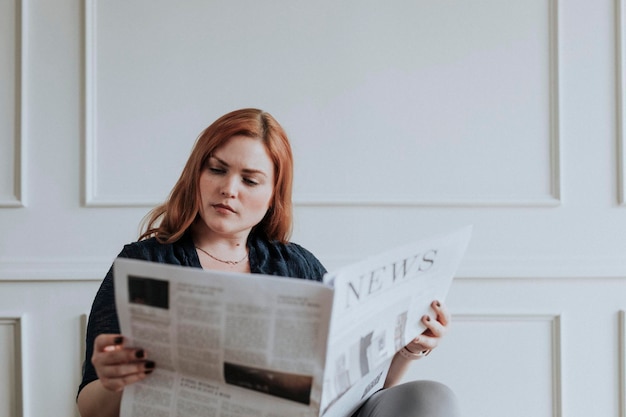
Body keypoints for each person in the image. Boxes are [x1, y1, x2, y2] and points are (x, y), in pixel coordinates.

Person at [76, 108, 460, 417]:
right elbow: (89, 407)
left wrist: (405, 351)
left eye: (250, 180)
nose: (229, 189)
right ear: (197, 174)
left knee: (431, 398)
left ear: (273, 194)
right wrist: (116, 382)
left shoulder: (299, 266)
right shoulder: (144, 262)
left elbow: (357, 394)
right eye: (217, 169)